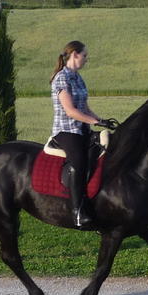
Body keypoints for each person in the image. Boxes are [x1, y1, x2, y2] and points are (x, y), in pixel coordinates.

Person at [50, 41, 116, 228]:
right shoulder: (61, 78)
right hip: (66, 131)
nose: (87, 59)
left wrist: (101, 120)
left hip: (82, 129)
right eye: (85, 55)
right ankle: (77, 211)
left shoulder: (78, 77)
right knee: (79, 161)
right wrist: (94, 122)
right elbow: (70, 111)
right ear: (75, 54)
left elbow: (84, 107)